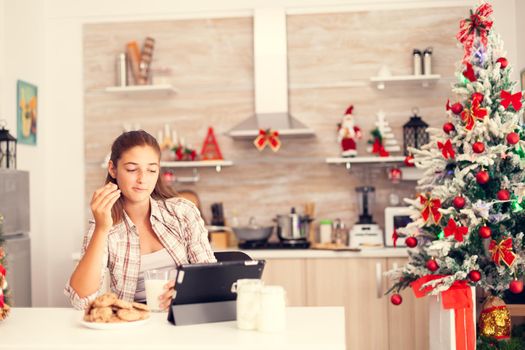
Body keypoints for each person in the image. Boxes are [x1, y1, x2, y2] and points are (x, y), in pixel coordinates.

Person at [65, 130, 216, 310]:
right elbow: (80, 301)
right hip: (133, 323)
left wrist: (186, 291)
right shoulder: (105, 224)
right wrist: (101, 229)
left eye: (151, 170)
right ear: (113, 169)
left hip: (183, 317)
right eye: (131, 169)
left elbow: (211, 278)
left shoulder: (182, 212)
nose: (142, 179)